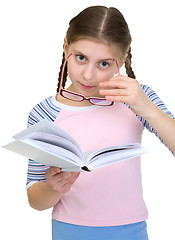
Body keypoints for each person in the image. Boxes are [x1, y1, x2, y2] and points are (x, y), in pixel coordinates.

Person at [26, 5, 175, 240]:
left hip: (130, 230)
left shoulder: (136, 99)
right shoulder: (44, 112)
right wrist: (53, 187)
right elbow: (35, 200)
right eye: (81, 58)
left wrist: (148, 109)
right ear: (66, 47)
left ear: (122, 61)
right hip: (69, 230)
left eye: (104, 63)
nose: (88, 75)